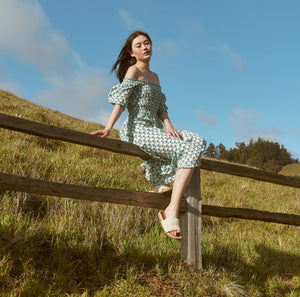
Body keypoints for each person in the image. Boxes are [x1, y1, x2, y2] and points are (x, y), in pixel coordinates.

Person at [90, 31, 206, 240]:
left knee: (197, 140)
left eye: (147, 43)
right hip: (138, 131)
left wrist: (169, 126)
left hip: (154, 129)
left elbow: (161, 106)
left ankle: (159, 184)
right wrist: (108, 128)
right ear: (131, 52)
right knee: (188, 149)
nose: (145, 47)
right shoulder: (133, 71)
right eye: (139, 45)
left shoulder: (155, 77)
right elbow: (121, 102)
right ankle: (171, 209)